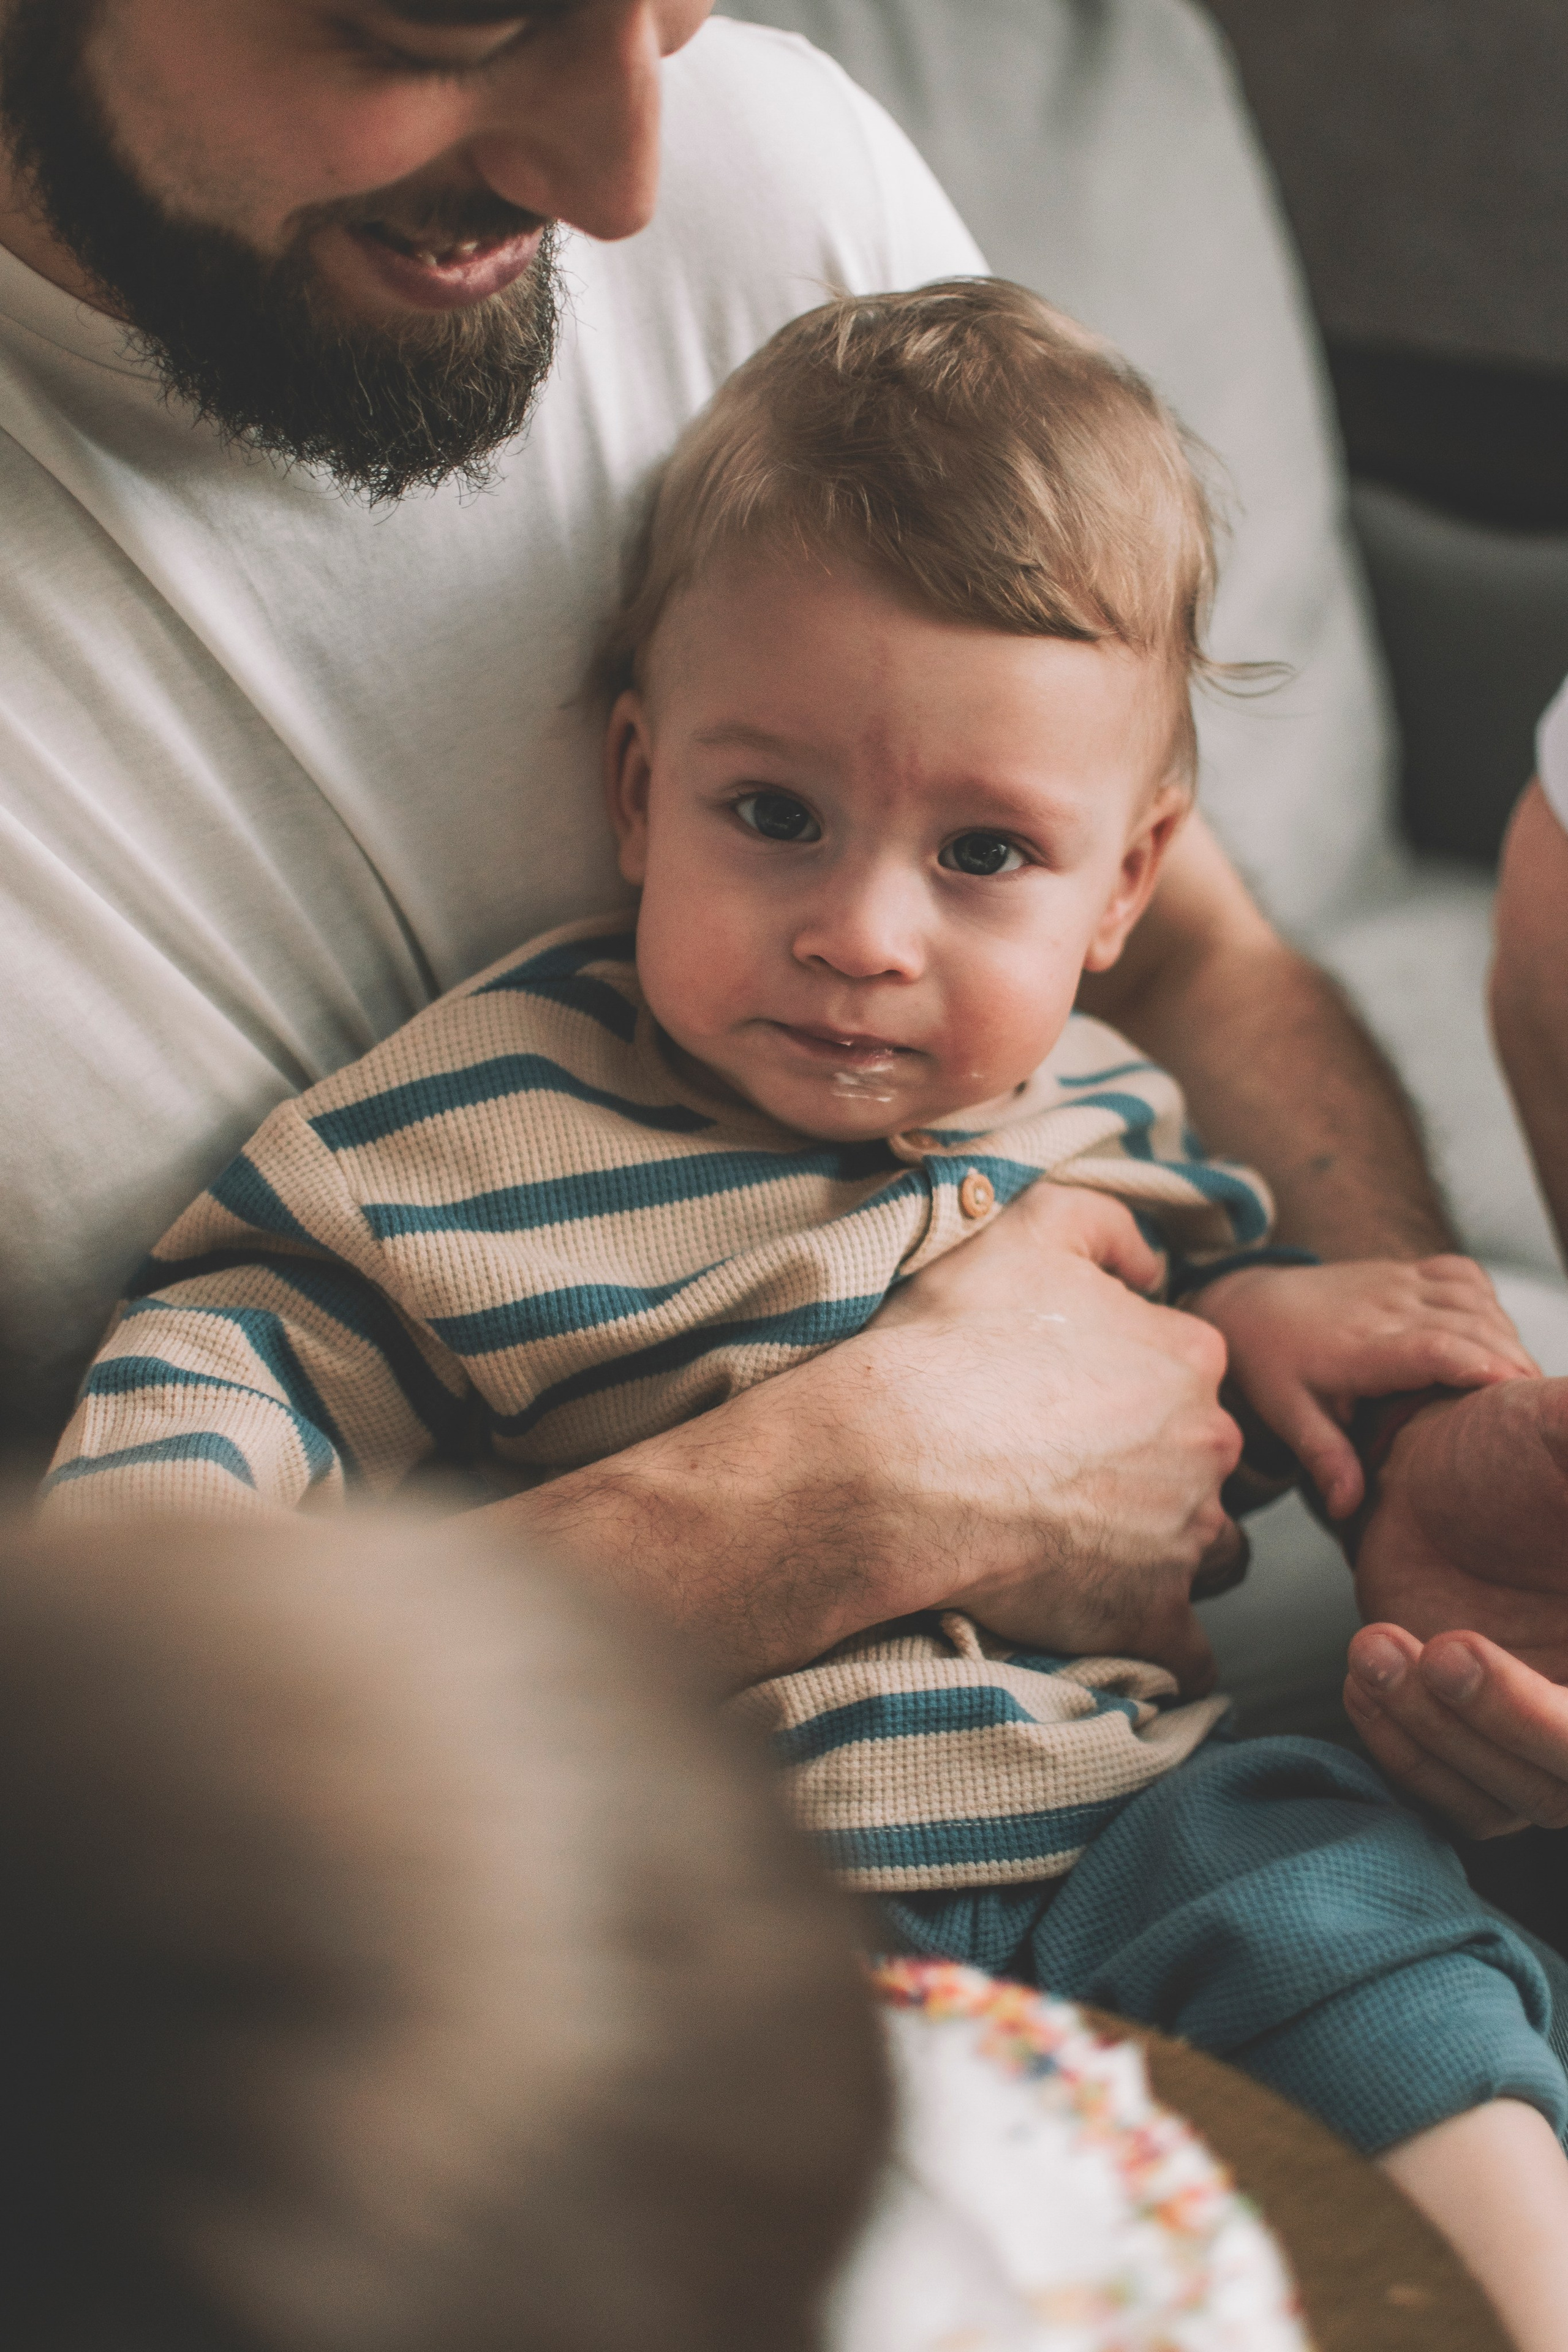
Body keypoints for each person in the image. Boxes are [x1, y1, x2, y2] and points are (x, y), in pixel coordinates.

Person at [42, 288, 1568, 2315]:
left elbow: (1185, 1328)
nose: (860, 934)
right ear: (634, 784)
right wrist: (151, 1550)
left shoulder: (1101, 1104)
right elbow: (254, 1329)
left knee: (1359, 1910)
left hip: (1127, 1816)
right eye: (773, 818)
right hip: (717, 1872)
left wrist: (1297, 1338)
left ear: (1126, 889)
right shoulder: (485, 1112)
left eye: (987, 853)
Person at [0, 0, 1521, 1691]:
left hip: (1133, 1813)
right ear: (636, 784)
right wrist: (845, 1495)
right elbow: (109, 1695)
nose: (629, 182)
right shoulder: (416, 1162)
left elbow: (1175, 957)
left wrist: (1404, 1447)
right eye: (449, 22)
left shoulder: (765, 160)